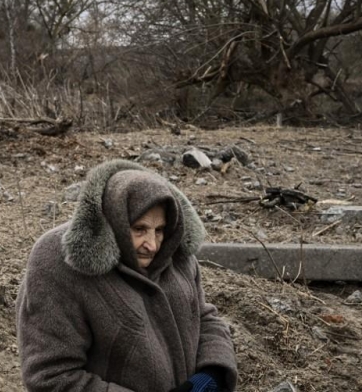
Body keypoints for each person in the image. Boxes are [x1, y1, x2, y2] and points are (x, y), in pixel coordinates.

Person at [16, 160, 238, 392]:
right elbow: (51, 376)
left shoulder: (174, 252)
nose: (152, 245)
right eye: (139, 229)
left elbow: (203, 317)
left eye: (159, 230)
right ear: (115, 220)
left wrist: (210, 377)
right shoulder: (58, 263)